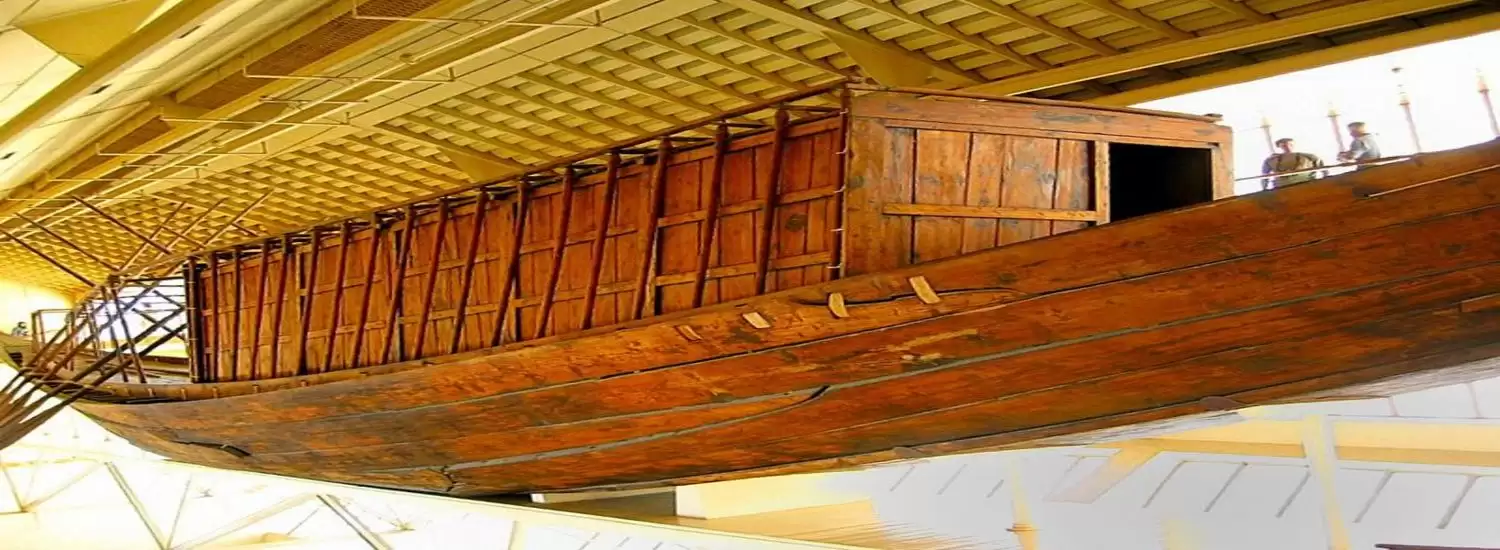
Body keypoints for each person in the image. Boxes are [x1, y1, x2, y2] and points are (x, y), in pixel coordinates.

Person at [1260, 138, 1325, 190]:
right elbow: (1265, 176)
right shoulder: (1271, 160)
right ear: (1280, 147)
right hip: (1282, 187)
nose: (1287, 147)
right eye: (1284, 145)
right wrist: (1264, 188)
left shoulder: (1309, 157)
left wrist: (1325, 179)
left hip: (1306, 184)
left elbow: (1323, 168)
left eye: (1290, 144)